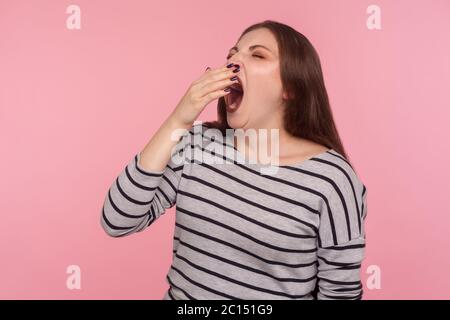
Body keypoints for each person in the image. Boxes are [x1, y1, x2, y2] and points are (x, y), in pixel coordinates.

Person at [100, 20, 368, 300]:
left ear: (292, 87)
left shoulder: (333, 180)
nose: (233, 61)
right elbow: (118, 220)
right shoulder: (197, 144)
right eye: (232, 54)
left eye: (257, 54)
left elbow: (340, 294)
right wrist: (179, 120)